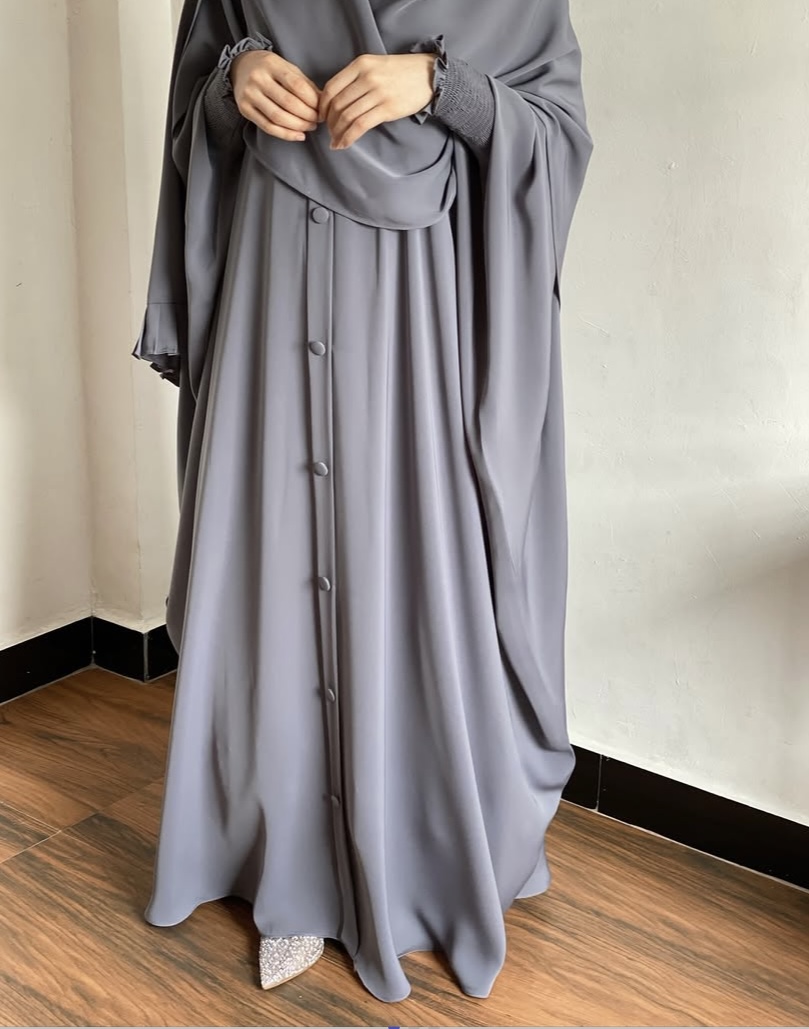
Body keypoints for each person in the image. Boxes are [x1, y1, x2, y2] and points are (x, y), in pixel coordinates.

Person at [132, 0, 592, 1004]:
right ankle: (288, 867)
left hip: (420, 316)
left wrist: (442, 86)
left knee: (414, 573)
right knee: (272, 578)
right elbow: (198, 100)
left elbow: (555, 135)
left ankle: (421, 851)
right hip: (268, 284)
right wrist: (233, 84)